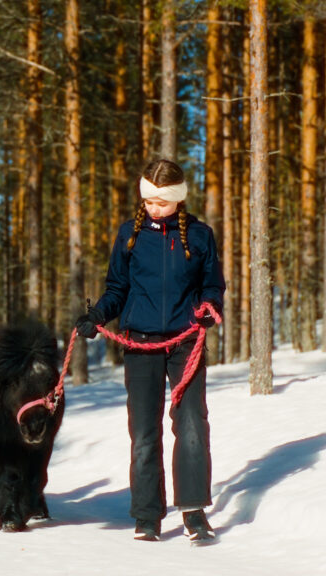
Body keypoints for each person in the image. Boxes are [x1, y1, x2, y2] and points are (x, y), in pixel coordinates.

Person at [76, 158, 225, 544]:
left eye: (161, 202)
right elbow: (116, 289)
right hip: (140, 343)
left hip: (185, 341)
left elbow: (213, 286)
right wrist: (97, 317)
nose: (154, 208)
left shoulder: (200, 236)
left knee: (192, 423)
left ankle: (193, 511)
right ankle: (147, 516)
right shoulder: (129, 235)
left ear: (177, 199)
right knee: (143, 430)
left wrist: (210, 308)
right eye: (148, 201)